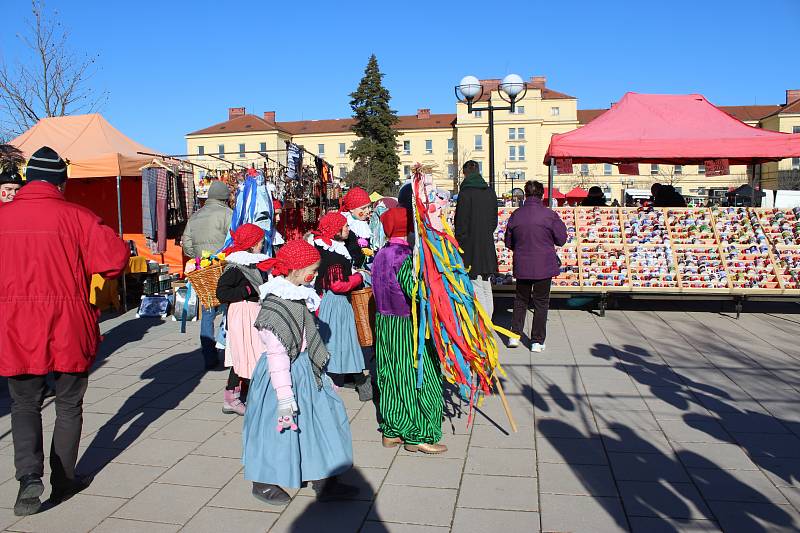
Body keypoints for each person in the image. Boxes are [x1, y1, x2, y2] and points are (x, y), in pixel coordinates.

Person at [0, 146, 129, 516]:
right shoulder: (77, 216)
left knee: (24, 403)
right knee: (69, 402)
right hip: (66, 323)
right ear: (60, 181)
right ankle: (63, 477)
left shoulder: (4, 217)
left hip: (14, 325)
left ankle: (28, 477)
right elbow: (114, 261)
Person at [243, 239, 357, 505]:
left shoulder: (297, 296)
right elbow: (277, 356)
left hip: (304, 370)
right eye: (313, 270)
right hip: (281, 377)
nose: (316, 275)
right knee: (278, 429)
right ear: (295, 270)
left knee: (318, 422)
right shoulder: (276, 307)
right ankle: (264, 479)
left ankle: (322, 475)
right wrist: (284, 397)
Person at [372, 208, 447, 454]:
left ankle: (392, 429)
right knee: (416, 376)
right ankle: (417, 433)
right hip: (407, 327)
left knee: (391, 374)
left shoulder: (381, 254)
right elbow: (415, 293)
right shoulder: (405, 256)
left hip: (385, 324)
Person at [310, 213, 372, 401]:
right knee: (343, 339)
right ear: (335, 231)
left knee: (336, 340)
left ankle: (344, 376)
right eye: (344, 227)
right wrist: (360, 277)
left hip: (327, 299)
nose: (348, 229)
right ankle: (357, 381)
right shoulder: (334, 256)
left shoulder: (327, 248)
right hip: (336, 302)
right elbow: (338, 285)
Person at [504, 181, 567, 353]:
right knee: (541, 303)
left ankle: (514, 335)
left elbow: (508, 242)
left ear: (525, 194)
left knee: (520, 300)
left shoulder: (516, 215)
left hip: (523, 263)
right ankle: (537, 341)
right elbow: (561, 239)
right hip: (543, 265)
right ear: (542, 195)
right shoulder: (549, 215)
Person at [216, 223, 270, 416]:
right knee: (246, 354)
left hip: (252, 311)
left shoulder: (252, 264)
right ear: (251, 244)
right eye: (260, 242)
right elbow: (221, 293)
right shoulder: (235, 268)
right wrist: (246, 291)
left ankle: (237, 395)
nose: (262, 245)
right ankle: (241, 397)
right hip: (241, 314)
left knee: (249, 354)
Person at [182, 180, 233, 370]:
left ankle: (209, 356)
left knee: (208, 313)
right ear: (225, 197)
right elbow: (235, 240)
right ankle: (231, 352)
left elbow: (186, 244)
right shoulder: (228, 214)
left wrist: (199, 256)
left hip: (204, 271)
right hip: (225, 269)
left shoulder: (195, 216)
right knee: (231, 311)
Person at [454, 160, 498, 318]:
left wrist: (459, 245)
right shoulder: (490, 192)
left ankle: (483, 325)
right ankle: (489, 321)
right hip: (487, 245)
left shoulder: (465, 193)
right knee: (486, 285)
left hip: (470, 248)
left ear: (465, 174)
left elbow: (460, 224)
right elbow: (494, 221)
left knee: (476, 286)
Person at [339, 187, 373, 270]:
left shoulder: (363, 224)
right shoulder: (346, 225)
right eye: (363, 208)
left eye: (369, 207)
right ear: (351, 209)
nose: (368, 211)